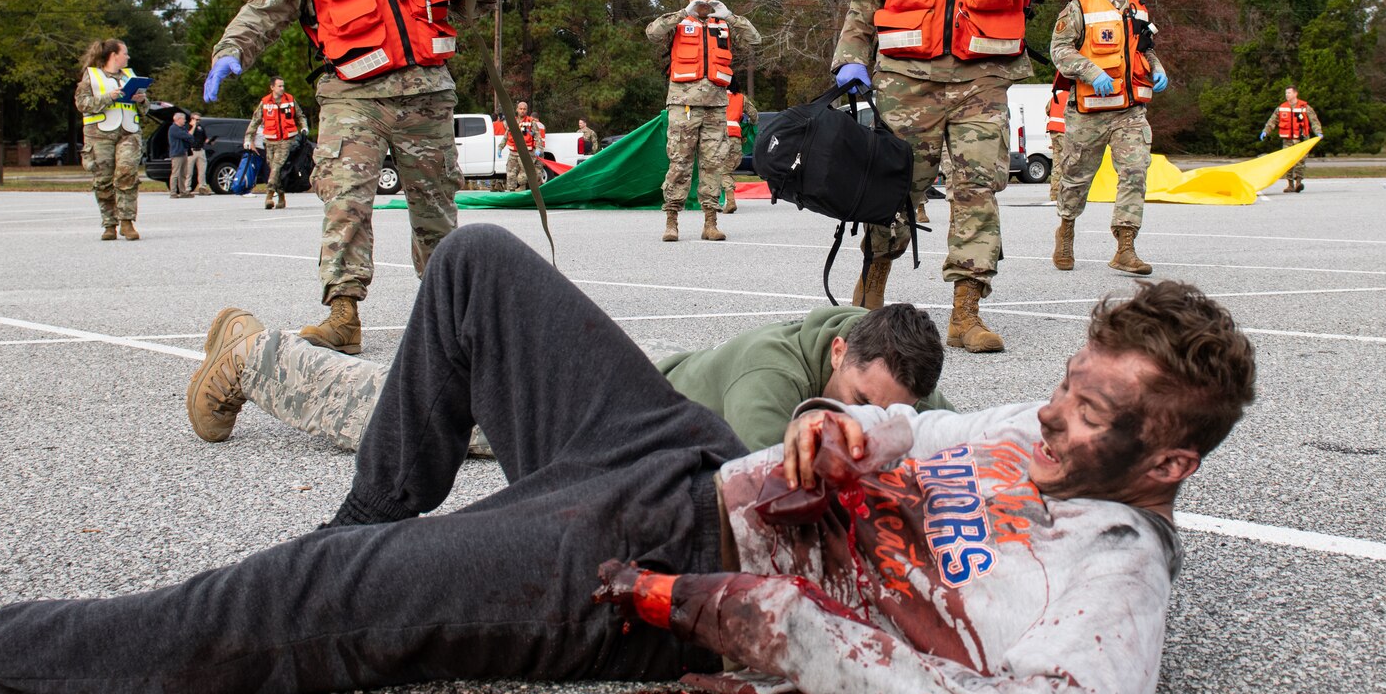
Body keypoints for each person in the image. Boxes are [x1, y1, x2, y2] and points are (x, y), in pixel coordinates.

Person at [0, 225, 1255, 694]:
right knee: (482, 265)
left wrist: (776, 627)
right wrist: (855, 425)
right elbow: (939, 425)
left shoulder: (1112, 568)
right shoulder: (1034, 433)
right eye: (1062, 392)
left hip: (669, 572)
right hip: (690, 462)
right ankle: (355, 549)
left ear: (1164, 465)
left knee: (277, 616)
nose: (1047, 424)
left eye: (1089, 421)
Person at [202, 0, 491, 352]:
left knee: (437, 209)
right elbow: (262, 12)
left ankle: (452, 319)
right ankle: (343, 315)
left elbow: (462, 0)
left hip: (426, 96)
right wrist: (230, 53)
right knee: (347, 203)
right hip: (353, 99)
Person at [831, 0, 1065, 354]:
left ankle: (966, 314)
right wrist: (850, 58)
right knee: (892, 190)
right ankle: (869, 299)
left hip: (981, 81)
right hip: (905, 81)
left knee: (976, 191)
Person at [186, 297, 950, 451]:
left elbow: (948, 430)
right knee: (418, 417)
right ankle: (258, 362)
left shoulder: (886, 361)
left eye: (885, 414)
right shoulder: (772, 371)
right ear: (842, 353)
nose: (865, 424)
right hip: (591, 409)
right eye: (856, 404)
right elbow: (763, 477)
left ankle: (251, 337)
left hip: (623, 399)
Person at [1049, 0, 1168, 275]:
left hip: (1130, 111)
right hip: (1089, 110)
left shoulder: (1139, 9)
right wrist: (1091, 71)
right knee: (1075, 179)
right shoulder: (1080, 6)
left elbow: (1144, 49)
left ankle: (1125, 247)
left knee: (1135, 170)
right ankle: (1066, 228)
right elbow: (1059, 49)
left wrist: (1157, 68)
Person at [647, 0, 762, 243]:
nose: (705, 0)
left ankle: (710, 222)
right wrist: (682, 12)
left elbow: (755, 39)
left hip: (716, 105)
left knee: (713, 165)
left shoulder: (722, 25)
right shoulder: (679, 22)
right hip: (683, 105)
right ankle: (672, 222)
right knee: (680, 162)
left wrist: (730, 16)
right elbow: (652, 33)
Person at [73, 38, 145, 240]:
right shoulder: (92, 76)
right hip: (99, 135)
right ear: (114, 55)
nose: (128, 57)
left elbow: (145, 108)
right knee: (103, 180)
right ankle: (109, 224)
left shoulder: (130, 76)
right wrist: (109, 97)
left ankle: (127, 222)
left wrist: (141, 100)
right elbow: (82, 103)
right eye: (125, 53)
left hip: (128, 132)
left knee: (127, 174)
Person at [1260, 87, 1324, 192]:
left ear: (1295, 94)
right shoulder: (1281, 108)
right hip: (1288, 140)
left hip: (1302, 140)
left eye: (1289, 93)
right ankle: (1290, 185)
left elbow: (1314, 121)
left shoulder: (1305, 107)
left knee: (1300, 161)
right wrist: (1266, 131)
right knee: (1287, 162)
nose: (1287, 95)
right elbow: (1272, 121)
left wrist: (1318, 132)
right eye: (1286, 93)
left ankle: (1298, 182)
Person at [257, 77, 306, 210]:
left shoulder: (289, 100)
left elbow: (300, 115)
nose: (282, 88)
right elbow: (255, 121)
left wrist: (304, 126)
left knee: (276, 168)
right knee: (274, 169)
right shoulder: (265, 102)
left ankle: (268, 196)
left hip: (285, 140)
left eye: (283, 86)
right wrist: (248, 138)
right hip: (270, 141)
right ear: (272, 87)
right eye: (279, 86)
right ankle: (281, 197)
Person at [720, 82, 756, 214]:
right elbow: (754, 115)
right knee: (727, 170)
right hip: (735, 137)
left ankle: (729, 201)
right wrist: (748, 126)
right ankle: (726, 200)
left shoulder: (716, 95)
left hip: (718, 136)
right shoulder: (741, 98)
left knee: (721, 171)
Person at [501, 100, 547, 192]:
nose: (522, 111)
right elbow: (506, 136)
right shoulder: (512, 122)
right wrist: (500, 147)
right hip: (513, 152)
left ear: (527, 110)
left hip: (526, 152)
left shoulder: (531, 122)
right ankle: (511, 191)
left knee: (523, 175)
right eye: (521, 109)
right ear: (517, 109)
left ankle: (523, 187)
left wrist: (538, 148)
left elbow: (537, 136)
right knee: (510, 173)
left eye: (524, 109)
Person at [1045, 83, 1069, 203]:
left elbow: (1047, 110)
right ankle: (1067, 195)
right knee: (1068, 164)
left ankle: (1054, 194)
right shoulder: (1072, 97)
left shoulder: (1056, 96)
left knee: (1057, 165)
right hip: (1065, 133)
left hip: (1054, 132)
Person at [167, 111, 196, 197]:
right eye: (183, 119)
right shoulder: (174, 128)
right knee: (175, 173)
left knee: (183, 173)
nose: (184, 121)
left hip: (183, 152)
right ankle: (173, 192)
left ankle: (183, 192)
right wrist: (191, 131)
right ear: (178, 119)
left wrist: (189, 134)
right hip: (177, 153)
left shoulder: (182, 128)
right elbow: (187, 136)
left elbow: (190, 138)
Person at [189, 113, 214, 194]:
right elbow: (189, 135)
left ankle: (202, 187)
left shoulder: (201, 128)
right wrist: (193, 126)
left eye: (199, 120)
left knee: (202, 171)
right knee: (188, 171)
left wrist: (210, 141)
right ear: (192, 119)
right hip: (192, 150)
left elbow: (205, 138)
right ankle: (186, 188)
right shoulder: (188, 126)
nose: (198, 121)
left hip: (200, 150)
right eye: (196, 119)